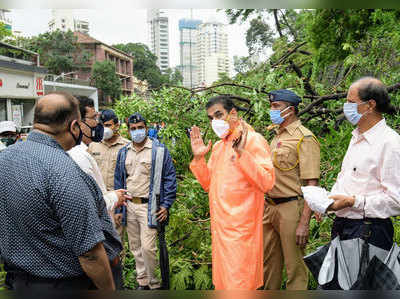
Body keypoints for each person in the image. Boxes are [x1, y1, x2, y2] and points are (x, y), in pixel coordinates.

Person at [0, 92, 121, 290]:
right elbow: (89, 253)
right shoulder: (65, 172)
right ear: (74, 126)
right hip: (64, 285)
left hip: (18, 283)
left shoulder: (4, 160)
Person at [189, 96, 275, 290]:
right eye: (211, 118)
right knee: (224, 285)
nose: (215, 122)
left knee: (240, 285)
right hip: (221, 231)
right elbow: (209, 184)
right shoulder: (219, 146)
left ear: (233, 113)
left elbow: (267, 182)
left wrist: (242, 154)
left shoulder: (253, 140)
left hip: (241, 233)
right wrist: (199, 158)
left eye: (219, 115)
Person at [327, 77, 400, 252]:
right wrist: (327, 200)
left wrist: (353, 202)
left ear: (370, 105)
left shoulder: (390, 143)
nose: (346, 107)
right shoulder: (356, 138)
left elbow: (396, 201)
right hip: (342, 227)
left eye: (351, 102)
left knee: (363, 280)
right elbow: (346, 178)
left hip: (369, 231)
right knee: (338, 280)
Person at [67, 97, 128, 289]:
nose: (98, 124)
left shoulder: (121, 146)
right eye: (94, 118)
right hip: (98, 234)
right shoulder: (81, 155)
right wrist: (113, 198)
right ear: (78, 124)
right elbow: (88, 205)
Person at [263, 89, 320, 290]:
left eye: (276, 106)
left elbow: (311, 184)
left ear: (291, 110)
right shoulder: (275, 136)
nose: (272, 110)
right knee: (269, 267)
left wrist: (304, 222)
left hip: (290, 208)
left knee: (295, 269)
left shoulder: (304, 138)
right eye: (271, 106)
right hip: (269, 207)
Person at [114, 112, 177, 290]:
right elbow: (119, 180)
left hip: (150, 206)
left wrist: (166, 204)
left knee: (148, 248)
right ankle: (143, 283)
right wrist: (119, 210)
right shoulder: (123, 152)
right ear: (128, 130)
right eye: (133, 129)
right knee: (136, 247)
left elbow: (169, 178)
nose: (137, 131)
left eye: (140, 128)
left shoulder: (159, 150)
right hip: (129, 205)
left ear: (146, 128)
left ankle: (155, 284)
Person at [88, 109, 130, 192]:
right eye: (102, 125)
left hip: (118, 197)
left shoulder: (127, 146)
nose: (104, 129)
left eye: (107, 125)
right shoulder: (93, 145)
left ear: (117, 126)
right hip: (98, 195)